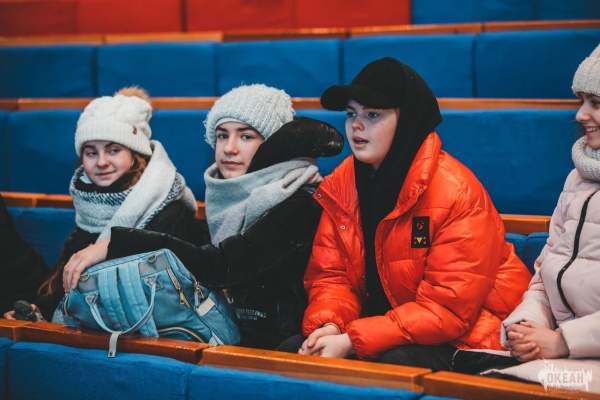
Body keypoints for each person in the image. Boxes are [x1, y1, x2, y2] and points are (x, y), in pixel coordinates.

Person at [278, 57, 532, 371]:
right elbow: (331, 277)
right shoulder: (341, 186)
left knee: (396, 365)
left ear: (407, 121)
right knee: (293, 352)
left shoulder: (457, 192)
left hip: (471, 336)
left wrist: (351, 340)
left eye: (373, 114)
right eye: (351, 113)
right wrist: (330, 326)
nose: (356, 125)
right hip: (386, 329)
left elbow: (446, 311)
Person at [60, 84, 344, 349]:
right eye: (222, 135)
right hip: (232, 335)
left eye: (246, 136)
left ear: (274, 144)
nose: (229, 148)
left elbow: (219, 266)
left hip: (274, 347)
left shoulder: (299, 201)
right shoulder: (230, 195)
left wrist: (116, 244)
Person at [2, 86, 202, 321]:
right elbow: (67, 287)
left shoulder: (170, 211)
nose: (102, 162)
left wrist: (112, 246)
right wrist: (41, 313)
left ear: (136, 154)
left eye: (113, 150)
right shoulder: (91, 208)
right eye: (91, 153)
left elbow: (169, 292)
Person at [488, 44, 600, 390]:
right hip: (565, 356)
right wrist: (528, 327)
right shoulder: (577, 179)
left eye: (596, 103)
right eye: (581, 101)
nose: (580, 115)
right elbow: (544, 275)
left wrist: (563, 341)